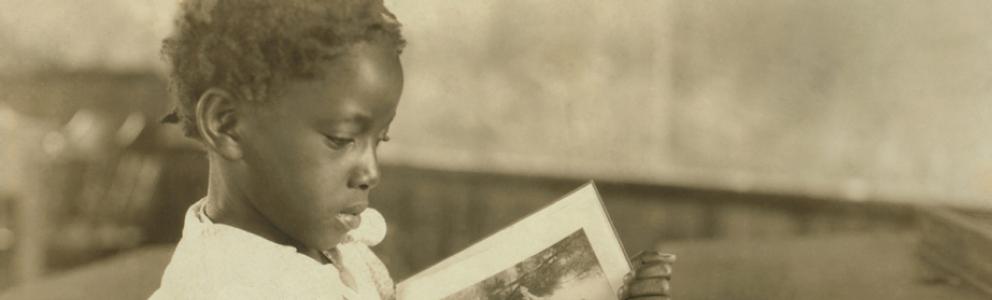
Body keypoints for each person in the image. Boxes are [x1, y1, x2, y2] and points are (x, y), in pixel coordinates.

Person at [151, 0, 674, 299]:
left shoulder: (329, 249)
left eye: (380, 140)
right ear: (228, 124)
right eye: (340, 139)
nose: (371, 170)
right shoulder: (222, 288)